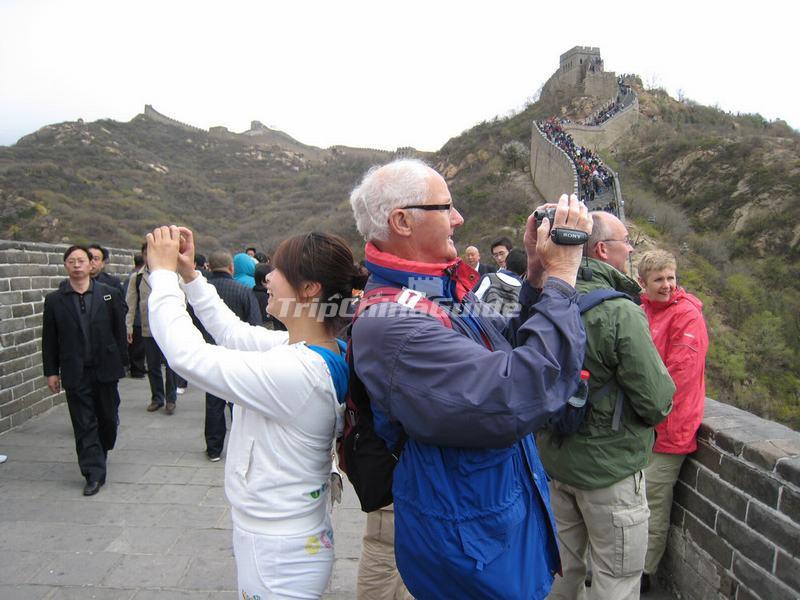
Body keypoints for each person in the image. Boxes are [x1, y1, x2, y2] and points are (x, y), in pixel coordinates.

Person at [348, 158, 592, 599]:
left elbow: (507, 350)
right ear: (401, 221)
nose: (459, 219)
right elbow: (517, 392)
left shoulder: (435, 291)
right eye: (446, 207)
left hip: (494, 521)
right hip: (472, 548)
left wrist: (536, 274)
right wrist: (563, 277)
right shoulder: (392, 324)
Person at [146, 226, 358, 599]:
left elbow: (187, 356)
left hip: (279, 552)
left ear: (309, 289)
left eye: (277, 270)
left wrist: (162, 277)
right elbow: (234, 334)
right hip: (288, 536)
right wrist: (190, 277)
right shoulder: (316, 349)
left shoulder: (300, 373)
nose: (268, 277)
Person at [537, 211, 675, 600]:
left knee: (561, 571)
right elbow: (656, 399)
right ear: (602, 249)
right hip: (609, 471)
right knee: (616, 578)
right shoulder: (620, 311)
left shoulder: (547, 298)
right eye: (625, 242)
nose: (630, 249)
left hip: (556, 462)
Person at [638, 250, 708, 592]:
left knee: (653, 500)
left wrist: (641, 406)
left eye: (671, 278)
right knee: (635, 501)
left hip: (670, 427)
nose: (667, 285)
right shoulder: (642, 312)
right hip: (644, 428)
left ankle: (644, 573)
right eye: (659, 279)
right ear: (643, 283)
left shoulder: (687, 316)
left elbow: (678, 375)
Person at [42, 245, 128, 496]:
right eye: (72, 261)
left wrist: (122, 361)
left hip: (106, 368)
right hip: (74, 370)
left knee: (108, 420)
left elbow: (119, 331)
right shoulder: (55, 300)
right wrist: (51, 371)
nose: (77, 265)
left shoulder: (109, 294)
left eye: (81, 260)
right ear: (66, 266)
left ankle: (101, 450)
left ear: (91, 265)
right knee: (83, 422)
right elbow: (49, 339)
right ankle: (93, 473)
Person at [199, 250, 263, 461]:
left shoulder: (203, 291)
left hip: (209, 352)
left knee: (213, 401)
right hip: (238, 356)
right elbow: (255, 324)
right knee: (239, 402)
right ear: (231, 268)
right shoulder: (243, 290)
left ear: (209, 266)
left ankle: (214, 448)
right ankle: (242, 445)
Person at [125, 242, 180, 414]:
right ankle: (157, 398)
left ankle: (171, 399)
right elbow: (130, 304)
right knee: (153, 365)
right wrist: (128, 327)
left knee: (171, 365)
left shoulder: (173, 275)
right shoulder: (137, 277)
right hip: (148, 328)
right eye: (147, 253)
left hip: (169, 328)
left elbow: (182, 300)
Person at [474, 247, 526, 315]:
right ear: (524, 272)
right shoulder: (523, 290)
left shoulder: (489, 278)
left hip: (481, 322)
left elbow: (472, 300)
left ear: (506, 263)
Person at [123, 252, 147, 378]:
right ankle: (137, 370)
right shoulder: (135, 277)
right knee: (137, 348)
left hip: (139, 317)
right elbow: (129, 300)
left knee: (139, 348)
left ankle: (140, 368)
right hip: (137, 317)